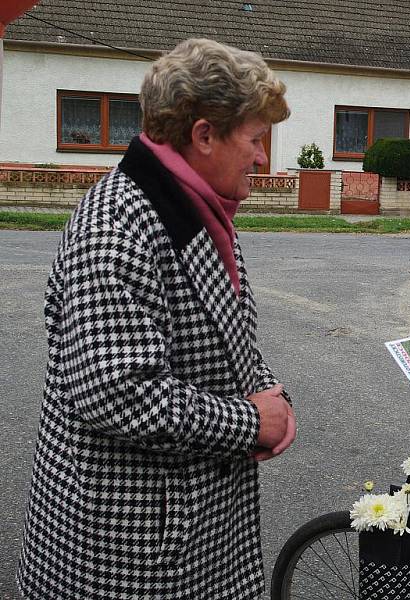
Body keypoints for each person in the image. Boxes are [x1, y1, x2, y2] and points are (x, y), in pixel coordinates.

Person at [17, 38, 295, 599]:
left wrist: (266, 391)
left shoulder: (194, 207)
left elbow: (230, 334)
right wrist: (248, 421)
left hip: (184, 529)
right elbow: (114, 393)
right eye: (256, 139)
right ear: (204, 134)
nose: (264, 158)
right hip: (127, 551)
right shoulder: (119, 222)